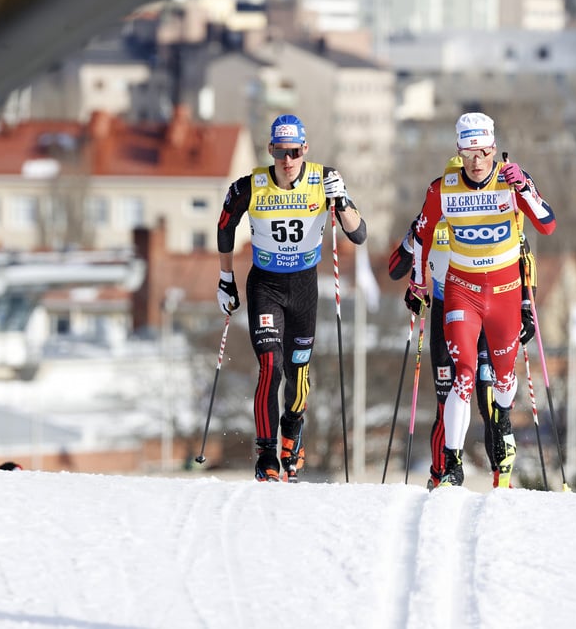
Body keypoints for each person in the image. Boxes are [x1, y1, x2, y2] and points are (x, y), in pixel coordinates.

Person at [404, 112, 555, 487]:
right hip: (461, 291)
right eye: (469, 153)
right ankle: (452, 461)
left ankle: (502, 419)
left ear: (493, 149)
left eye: (484, 152)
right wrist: (419, 282)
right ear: (459, 150)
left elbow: (547, 224)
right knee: (465, 375)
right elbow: (422, 238)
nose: (476, 161)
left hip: (504, 294)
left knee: (504, 382)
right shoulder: (443, 188)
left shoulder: (510, 181)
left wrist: (527, 192)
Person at [216, 114, 367, 482]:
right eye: (281, 152)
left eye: (295, 152)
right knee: (271, 367)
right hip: (265, 287)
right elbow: (224, 227)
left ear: (305, 151)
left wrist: (342, 200)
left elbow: (359, 235)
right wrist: (225, 279)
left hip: (303, 289)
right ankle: (266, 452)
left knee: (298, 373)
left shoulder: (324, 179)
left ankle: (292, 430)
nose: (288, 160)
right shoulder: (251, 185)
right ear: (271, 150)